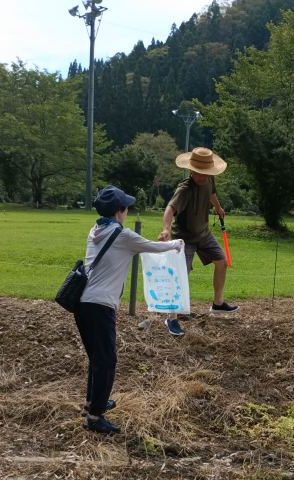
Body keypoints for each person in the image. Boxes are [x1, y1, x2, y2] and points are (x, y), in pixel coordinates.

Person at [76, 185, 183, 434]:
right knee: (107, 361)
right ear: (119, 212)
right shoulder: (122, 236)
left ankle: (94, 402)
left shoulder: (96, 230)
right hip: (100, 306)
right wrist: (177, 243)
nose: (126, 211)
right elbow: (154, 246)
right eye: (125, 208)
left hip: (84, 304)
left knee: (97, 358)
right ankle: (94, 417)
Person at [158, 147, 238, 336]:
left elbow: (211, 194)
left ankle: (218, 304)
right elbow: (170, 209)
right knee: (180, 275)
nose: (201, 177)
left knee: (222, 262)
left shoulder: (209, 180)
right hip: (183, 237)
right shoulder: (184, 189)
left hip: (203, 233)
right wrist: (166, 229)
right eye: (198, 173)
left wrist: (218, 208)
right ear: (192, 170)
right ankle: (171, 318)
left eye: (205, 173)